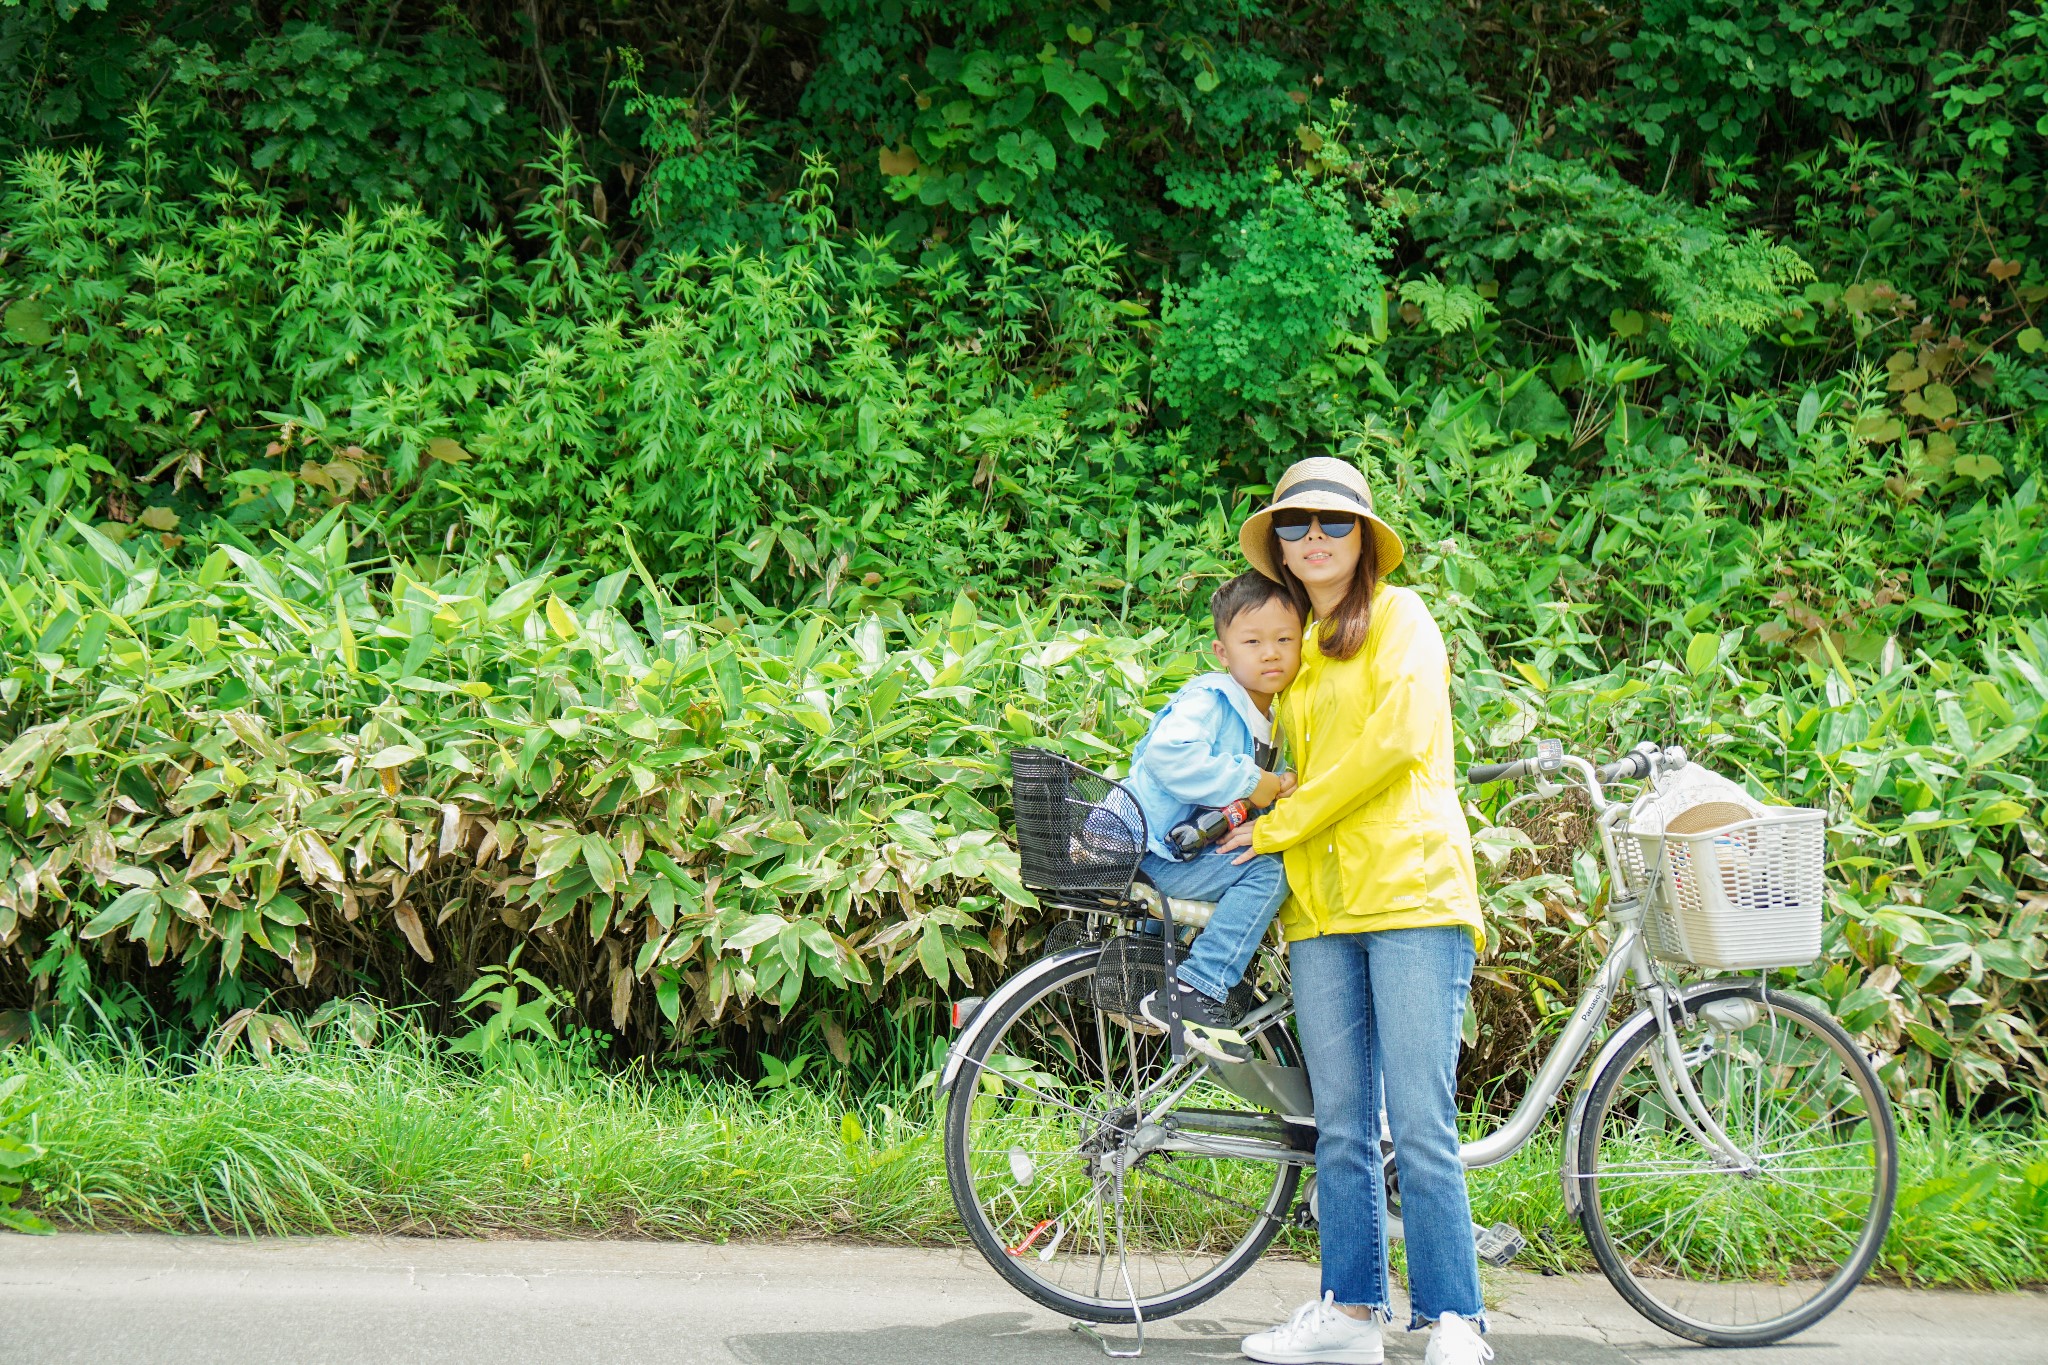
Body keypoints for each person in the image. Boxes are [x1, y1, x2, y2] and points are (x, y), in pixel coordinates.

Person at [1216, 457, 1493, 1365]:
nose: (1313, 540)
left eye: (1332, 524)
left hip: (1411, 891)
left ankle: (1454, 1318)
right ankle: (1348, 1311)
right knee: (1338, 1123)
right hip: (1321, 909)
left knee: (1418, 1118)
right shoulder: (1288, 655)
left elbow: (1398, 741)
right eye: (1294, 527)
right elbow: (1273, 768)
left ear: (1365, 539)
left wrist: (1286, 819)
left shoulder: (1402, 619)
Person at [1123, 571, 1303, 1061]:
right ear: (1222, 652)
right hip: (1147, 846)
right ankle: (1198, 987)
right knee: (1269, 869)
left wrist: (1279, 789)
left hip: (1166, 848)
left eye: (1286, 639)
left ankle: (1154, 970)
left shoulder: (1269, 721)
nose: (1271, 652)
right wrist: (1252, 781)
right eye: (1253, 641)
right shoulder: (1214, 698)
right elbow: (1169, 753)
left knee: (1253, 853)